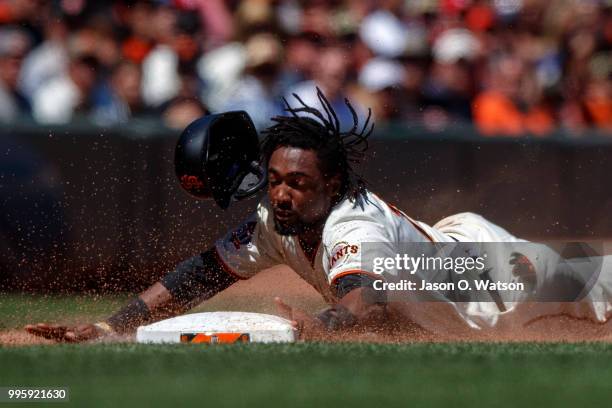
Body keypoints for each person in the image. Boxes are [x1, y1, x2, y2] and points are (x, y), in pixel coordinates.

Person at [25, 88, 611, 342]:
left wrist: (325, 325)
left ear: (330, 183)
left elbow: (362, 295)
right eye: (275, 179)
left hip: (493, 280)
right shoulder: (279, 218)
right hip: (447, 247)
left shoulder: (348, 226)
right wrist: (112, 324)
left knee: (599, 287)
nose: (280, 193)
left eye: (298, 183)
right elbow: (203, 272)